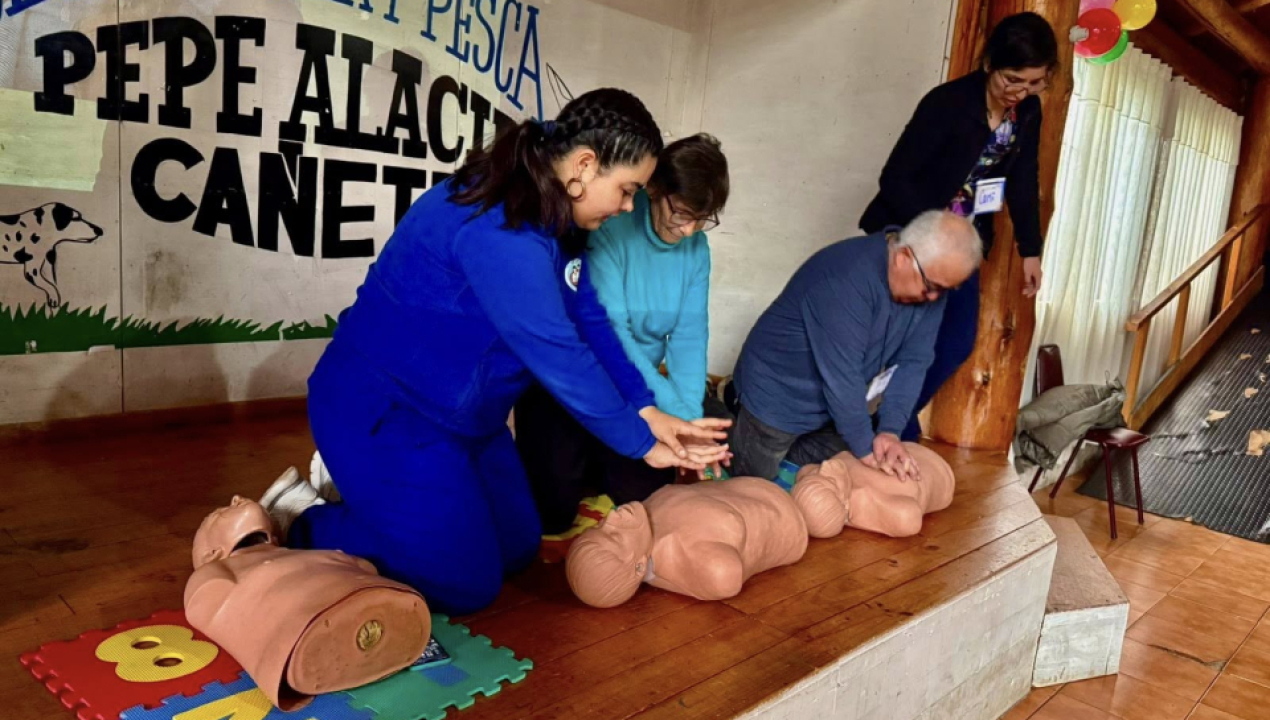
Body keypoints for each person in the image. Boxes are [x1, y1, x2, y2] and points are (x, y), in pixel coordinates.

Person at [258, 89, 731, 616]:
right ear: (584, 165)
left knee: (518, 546)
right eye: (626, 190)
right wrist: (641, 441)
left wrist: (646, 409)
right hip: (387, 413)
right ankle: (299, 517)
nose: (627, 207)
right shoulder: (502, 228)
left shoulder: (555, 212)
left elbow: (590, 320)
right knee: (465, 583)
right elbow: (560, 356)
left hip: (466, 422)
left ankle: (381, 497)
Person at [515, 134, 730, 535]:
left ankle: (601, 458)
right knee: (552, 511)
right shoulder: (612, 225)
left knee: (649, 492)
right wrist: (669, 418)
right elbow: (613, 339)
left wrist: (688, 423)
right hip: (586, 379)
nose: (689, 230)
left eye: (703, 219)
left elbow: (688, 340)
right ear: (656, 188)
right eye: (682, 213)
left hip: (639, 393)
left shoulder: (696, 249)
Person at [859, 11, 1058, 443]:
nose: (1021, 92)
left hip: (961, 245)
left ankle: (889, 420)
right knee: (892, 341)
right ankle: (875, 427)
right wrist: (931, 235)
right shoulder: (947, 103)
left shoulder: (1027, 112)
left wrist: (1031, 250)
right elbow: (895, 178)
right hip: (909, 236)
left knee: (954, 342)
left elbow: (1023, 180)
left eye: (1034, 82)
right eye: (1012, 79)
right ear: (989, 63)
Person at [730, 211, 982, 483]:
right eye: (932, 287)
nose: (933, 298)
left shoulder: (928, 284)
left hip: (829, 408)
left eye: (944, 290)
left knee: (846, 475)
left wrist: (889, 431)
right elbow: (842, 376)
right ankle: (729, 413)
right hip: (776, 396)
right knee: (753, 489)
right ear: (903, 258)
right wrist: (865, 448)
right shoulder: (844, 278)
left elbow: (914, 362)